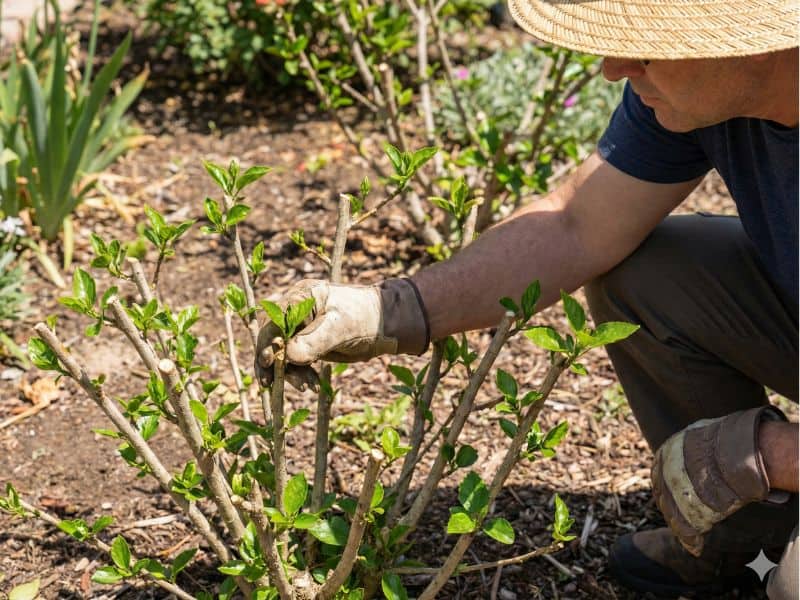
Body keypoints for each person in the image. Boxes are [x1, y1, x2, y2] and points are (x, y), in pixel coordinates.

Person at [256, 0, 799, 597]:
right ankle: (740, 539)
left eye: (648, 47)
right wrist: (389, 309)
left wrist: (775, 453)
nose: (615, 68)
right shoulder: (696, 97)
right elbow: (576, 224)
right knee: (646, 269)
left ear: (755, 42)